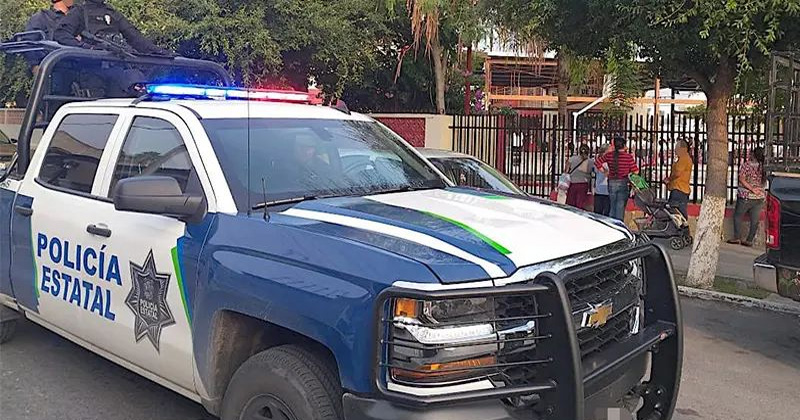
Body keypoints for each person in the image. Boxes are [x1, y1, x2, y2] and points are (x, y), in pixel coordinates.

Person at [53, 0, 171, 55]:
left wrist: (161, 52)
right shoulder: (80, 12)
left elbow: (136, 39)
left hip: (116, 61)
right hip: (91, 66)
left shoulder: (112, 13)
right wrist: (86, 48)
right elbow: (61, 34)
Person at [727, 147, 767, 247]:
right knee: (755, 220)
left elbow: (742, 179)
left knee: (737, 216)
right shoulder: (764, 167)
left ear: (753, 154)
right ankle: (749, 240)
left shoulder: (747, 165)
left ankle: (737, 237)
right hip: (759, 197)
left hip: (746, 196)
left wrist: (752, 189)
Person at [595, 136, 639, 221]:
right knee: (620, 206)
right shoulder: (628, 157)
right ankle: (618, 224)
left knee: (612, 205)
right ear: (624, 145)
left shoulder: (609, 155)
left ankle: (611, 222)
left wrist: (605, 172)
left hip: (611, 182)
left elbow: (597, 162)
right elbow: (636, 171)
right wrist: (630, 176)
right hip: (623, 182)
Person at [664, 139, 693, 218]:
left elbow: (678, 173)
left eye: (677, 147)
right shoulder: (683, 158)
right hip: (680, 189)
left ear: (683, 149)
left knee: (675, 213)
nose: (675, 149)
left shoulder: (684, 158)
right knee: (678, 212)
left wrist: (668, 179)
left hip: (679, 189)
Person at [565, 144, 592, 209]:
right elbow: (590, 171)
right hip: (584, 183)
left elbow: (566, 170)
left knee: (571, 203)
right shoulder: (590, 161)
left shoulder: (572, 159)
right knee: (580, 203)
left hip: (573, 183)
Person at [592, 143, 612, 216]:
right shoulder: (604, 162)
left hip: (601, 189)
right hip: (604, 190)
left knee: (599, 212)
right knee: (604, 213)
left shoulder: (597, 162)